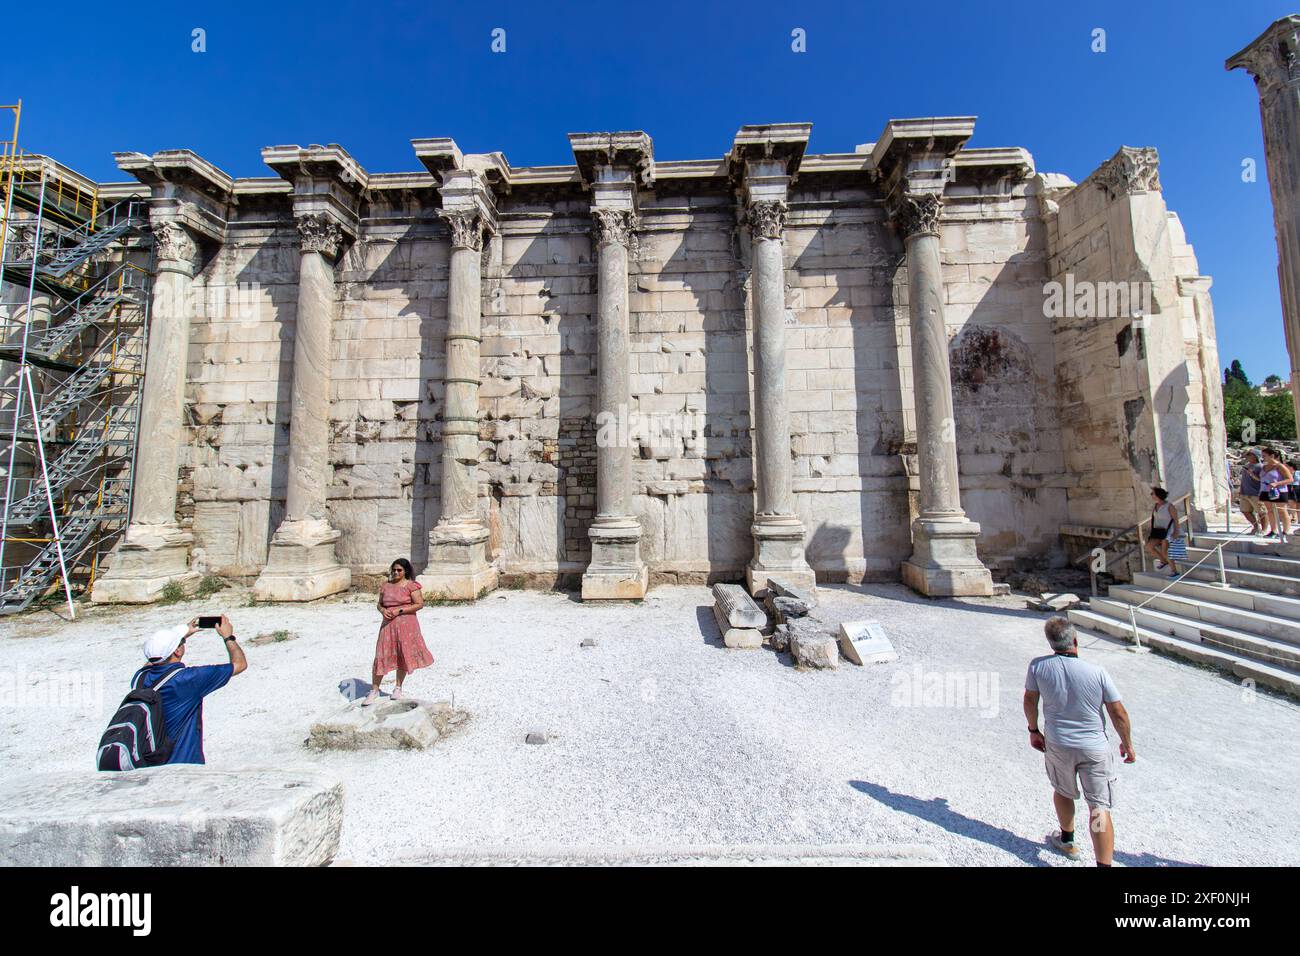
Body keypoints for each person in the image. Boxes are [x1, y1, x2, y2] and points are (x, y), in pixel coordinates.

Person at [1024, 617, 1135, 867]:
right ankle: (1103, 864)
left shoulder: (1038, 667)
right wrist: (1127, 744)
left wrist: (1034, 730)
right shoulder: (1097, 672)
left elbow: (1030, 701)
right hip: (1094, 746)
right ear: (1075, 640)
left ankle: (1067, 839)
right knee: (1098, 807)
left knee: (1063, 790)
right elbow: (1118, 713)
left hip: (1059, 743)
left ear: (1050, 642)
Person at [134, 615, 246, 765]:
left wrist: (181, 635)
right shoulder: (188, 679)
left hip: (151, 762)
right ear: (178, 652)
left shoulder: (139, 678)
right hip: (183, 763)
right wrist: (228, 637)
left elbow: (154, 659)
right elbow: (239, 664)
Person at [363, 558, 433, 705]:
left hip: (406, 625)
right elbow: (380, 604)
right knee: (381, 654)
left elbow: (419, 604)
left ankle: (398, 688)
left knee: (402, 654)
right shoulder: (386, 586)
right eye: (394, 569)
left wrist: (400, 610)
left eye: (399, 570)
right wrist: (382, 610)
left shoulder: (411, 586)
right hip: (388, 624)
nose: (395, 572)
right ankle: (374, 690)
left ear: (405, 571)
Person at [1259, 447, 1293, 543]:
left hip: (1279, 491)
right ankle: (1273, 530)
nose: (1263, 458)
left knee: (1282, 511)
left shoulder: (1280, 466)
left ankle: (1286, 531)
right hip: (1265, 490)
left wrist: (1276, 483)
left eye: (1265, 456)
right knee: (1270, 511)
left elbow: (1290, 479)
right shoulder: (1264, 467)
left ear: (1272, 456)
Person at [1144, 487, 1179, 576]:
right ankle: (1163, 561)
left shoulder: (1169, 506)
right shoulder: (1155, 506)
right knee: (1148, 547)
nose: (1151, 495)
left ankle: (1174, 571)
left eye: (1153, 493)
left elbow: (1175, 519)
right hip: (1158, 532)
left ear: (1158, 495)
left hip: (1167, 532)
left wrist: (1176, 532)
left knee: (1165, 552)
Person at [1238, 450, 1265, 535]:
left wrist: (1252, 474)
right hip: (1245, 492)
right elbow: (1243, 480)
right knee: (1245, 511)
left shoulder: (1261, 467)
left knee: (1261, 512)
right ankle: (1256, 527)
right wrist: (1241, 490)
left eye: (1249, 455)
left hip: (1256, 493)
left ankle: (1264, 530)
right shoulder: (1246, 466)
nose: (1247, 456)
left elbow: (1263, 480)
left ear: (1255, 456)